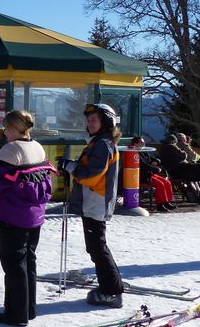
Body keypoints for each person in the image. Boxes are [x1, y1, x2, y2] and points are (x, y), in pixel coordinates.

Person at [0, 110, 54, 326]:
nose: (4, 132)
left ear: (14, 128)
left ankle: (16, 315)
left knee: (14, 266)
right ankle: (29, 309)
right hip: (35, 215)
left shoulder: (10, 150)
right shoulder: (38, 147)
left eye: (5, 127)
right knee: (28, 261)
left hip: (11, 215)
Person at [59, 103, 124, 308]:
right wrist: (70, 165)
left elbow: (92, 173)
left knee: (97, 247)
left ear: (106, 122)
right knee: (96, 246)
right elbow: (88, 167)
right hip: (93, 200)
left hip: (96, 201)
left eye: (94, 119)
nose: (90, 123)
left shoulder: (103, 144)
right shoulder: (98, 142)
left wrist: (69, 166)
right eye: (88, 120)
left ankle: (112, 291)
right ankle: (111, 284)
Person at [159, 134, 200, 205]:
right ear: (173, 141)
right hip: (182, 170)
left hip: (177, 171)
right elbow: (184, 156)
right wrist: (182, 149)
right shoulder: (171, 146)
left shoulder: (163, 148)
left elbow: (180, 157)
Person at [128, 136, 178, 212]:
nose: (143, 143)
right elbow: (143, 166)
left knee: (167, 182)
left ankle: (167, 202)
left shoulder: (143, 151)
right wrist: (156, 168)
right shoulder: (134, 153)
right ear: (135, 143)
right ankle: (160, 205)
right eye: (141, 142)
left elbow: (154, 159)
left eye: (143, 142)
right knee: (160, 184)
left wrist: (156, 161)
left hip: (149, 173)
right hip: (142, 176)